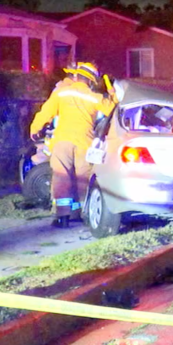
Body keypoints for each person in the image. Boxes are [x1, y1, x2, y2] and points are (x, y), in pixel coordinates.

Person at [30, 62, 115, 228]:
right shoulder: (95, 97)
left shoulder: (61, 93)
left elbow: (46, 112)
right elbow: (111, 109)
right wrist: (112, 93)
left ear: (76, 76)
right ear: (91, 81)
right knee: (83, 178)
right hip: (85, 143)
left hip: (62, 141)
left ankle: (62, 217)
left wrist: (35, 129)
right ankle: (82, 214)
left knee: (61, 177)